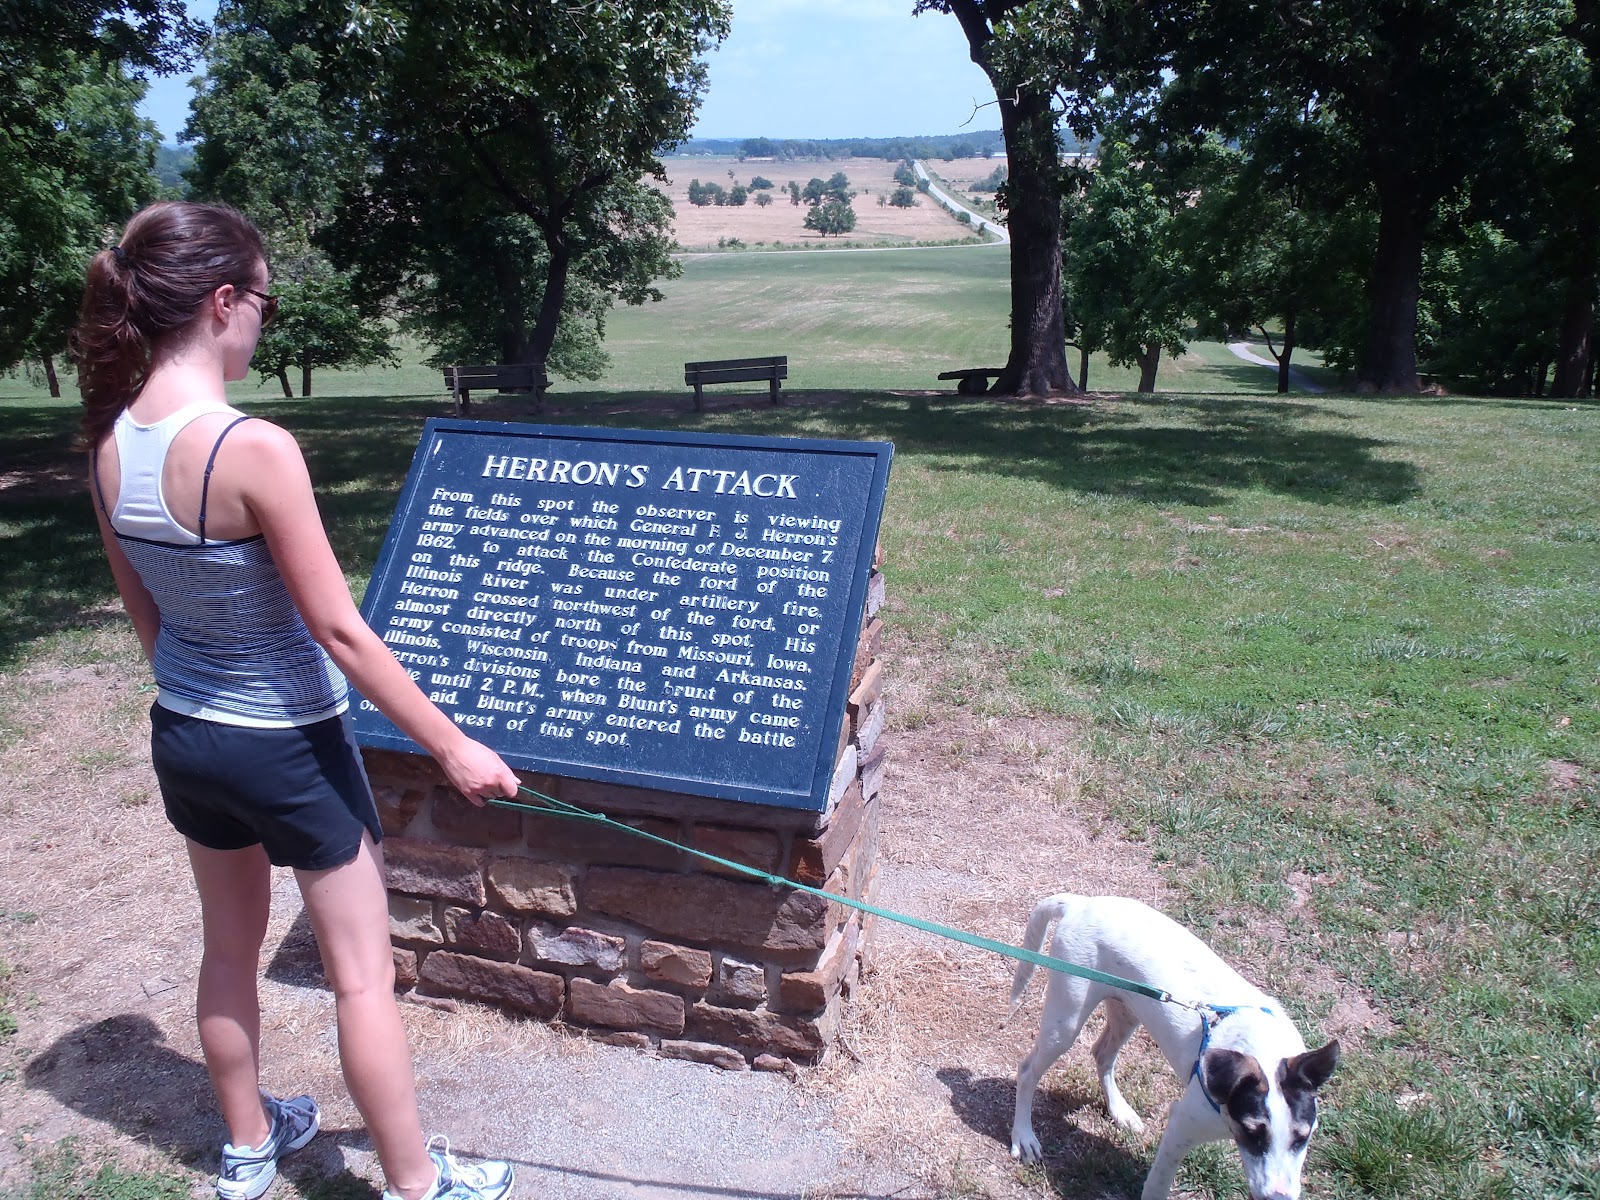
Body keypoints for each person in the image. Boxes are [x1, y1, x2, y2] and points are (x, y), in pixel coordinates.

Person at [73, 200, 518, 1200]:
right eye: (263, 300)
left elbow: (148, 617)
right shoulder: (252, 448)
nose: (264, 321)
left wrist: (199, 692)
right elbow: (342, 631)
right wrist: (453, 748)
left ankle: (246, 1147)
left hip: (188, 737)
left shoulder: (107, 447)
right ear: (223, 301)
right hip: (288, 747)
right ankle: (415, 1181)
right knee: (363, 976)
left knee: (227, 949)